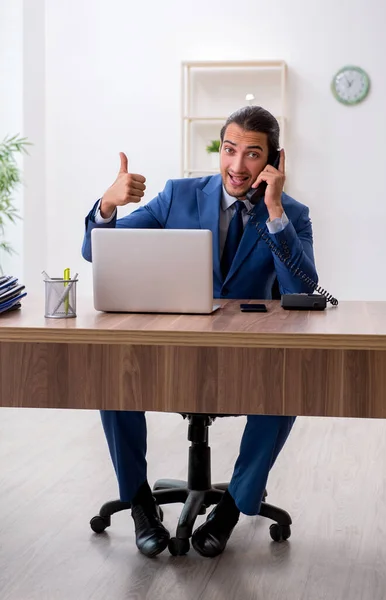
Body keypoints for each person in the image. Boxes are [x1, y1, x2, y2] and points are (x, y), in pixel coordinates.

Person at [82, 105, 318, 559]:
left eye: (253, 155)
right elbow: (100, 249)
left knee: (288, 391)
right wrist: (108, 205)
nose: (237, 166)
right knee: (113, 381)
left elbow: (304, 289)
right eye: (230, 150)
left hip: (244, 358)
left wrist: (273, 210)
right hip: (174, 352)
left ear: (275, 160)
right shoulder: (179, 195)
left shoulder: (291, 214)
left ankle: (231, 508)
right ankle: (140, 505)